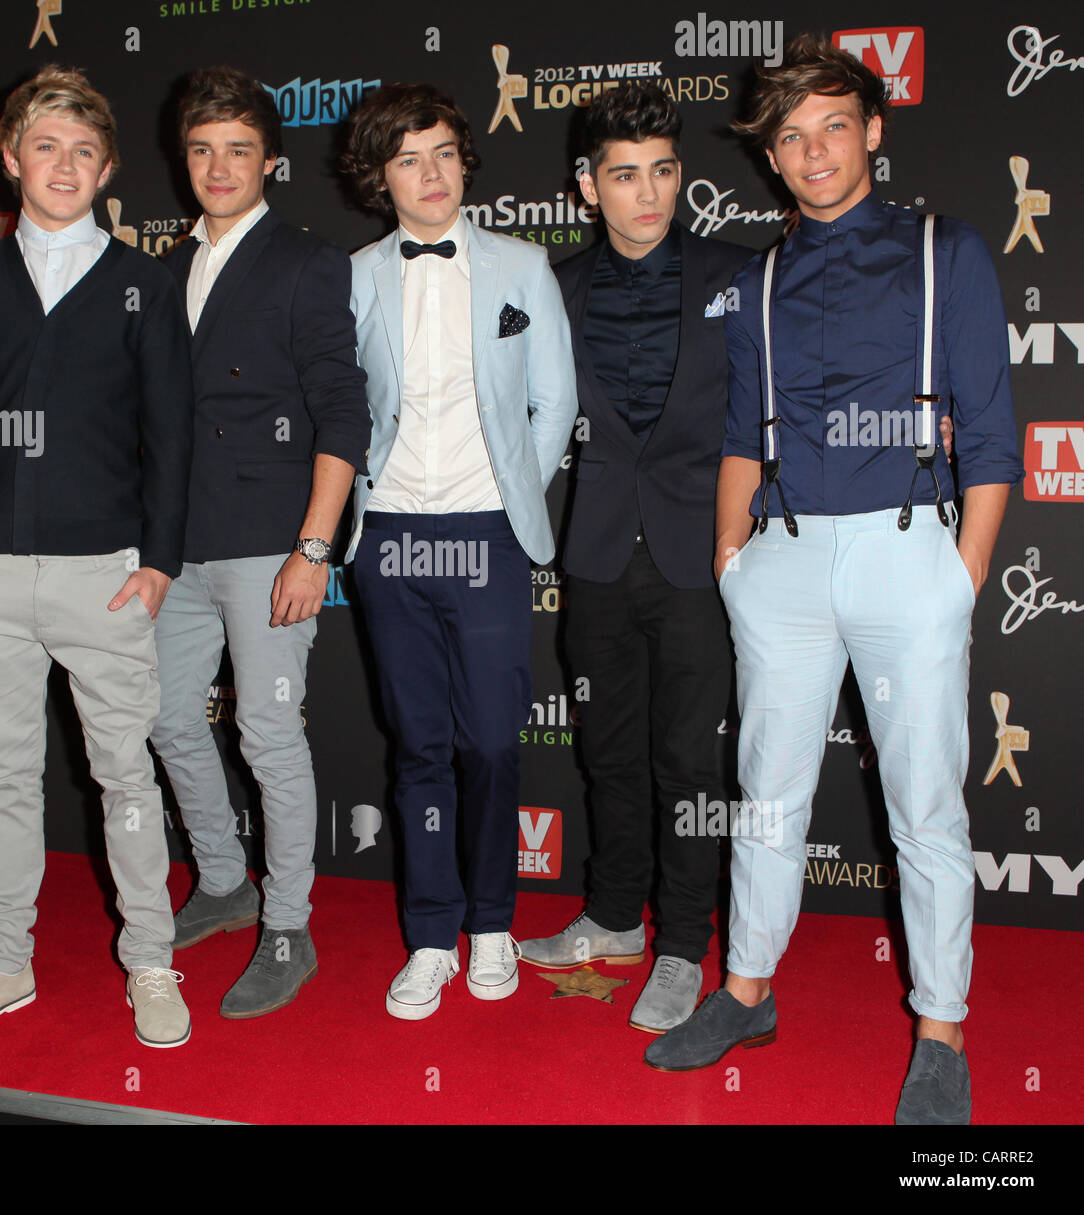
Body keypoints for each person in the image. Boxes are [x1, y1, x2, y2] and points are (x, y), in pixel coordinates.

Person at [645, 34, 1023, 1127]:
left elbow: (992, 431)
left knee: (925, 808)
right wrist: (732, 560)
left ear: (873, 131)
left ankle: (940, 1028)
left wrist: (961, 575)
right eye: (789, 136)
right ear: (767, 155)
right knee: (765, 794)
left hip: (911, 552)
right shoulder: (756, 275)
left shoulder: (945, 250)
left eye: (831, 126)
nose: (811, 151)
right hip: (785, 560)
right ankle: (747, 991)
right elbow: (738, 435)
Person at [0, 66, 195, 1049]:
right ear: (10, 159)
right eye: (45, 145)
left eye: (83, 150)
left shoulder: (141, 285)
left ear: (108, 168)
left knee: (126, 777)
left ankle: (151, 964)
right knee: (9, 780)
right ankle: (2, 964)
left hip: (103, 574)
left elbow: (173, 435)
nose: (63, 164)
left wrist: (158, 560)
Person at [515, 83, 752, 1034]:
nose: (647, 192)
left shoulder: (741, 276)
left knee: (690, 763)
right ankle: (614, 917)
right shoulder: (553, 289)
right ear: (587, 187)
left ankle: (686, 943)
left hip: (705, 554)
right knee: (608, 752)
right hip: (600, 555)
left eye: (661, 171)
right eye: (624, 175)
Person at [341, 83, 577, 1020]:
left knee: (488, 739)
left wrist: (515, 484)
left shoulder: (524, 265)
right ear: (378, 176)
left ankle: (493, 924)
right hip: (389, 533)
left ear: (464, 159)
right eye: (407, 158)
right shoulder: (355, 275)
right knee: (420, 746)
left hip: (487, 535)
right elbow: (342, 404)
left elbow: (553, 402)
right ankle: (433, 935)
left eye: (442, 152)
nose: (430, 174)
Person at [149, 65, 370, 1019]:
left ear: (269, 162)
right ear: (183, 160)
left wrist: (314, 548)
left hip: (270, 540)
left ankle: (289, 925)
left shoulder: (309, 262)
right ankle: (225, 880)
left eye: (238, 149)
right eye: (202, 150)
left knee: (268, 732)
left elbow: (342, 412)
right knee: (161, 714)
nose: (219, 166)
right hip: (178, 542)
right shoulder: (161, 270)